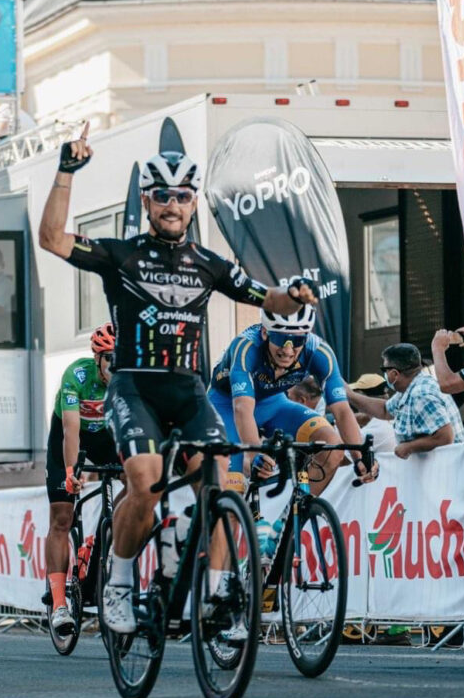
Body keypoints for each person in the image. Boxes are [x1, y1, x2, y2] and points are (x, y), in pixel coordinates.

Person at [38, 128, 321, 638]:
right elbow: (53, 240)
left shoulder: (207, 264)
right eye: (163, 195)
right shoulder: (120, 256)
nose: (173, 204)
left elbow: (266, 298)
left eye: (183, 195)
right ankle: (119, 582)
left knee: (217, 480)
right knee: (144, 483)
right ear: (147, 201)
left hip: (187, 391)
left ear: (193, 204)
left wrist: (294, 293)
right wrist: (66, 172)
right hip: (136, 389)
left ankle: (215, 595)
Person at [208, 306, 374, 494]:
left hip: (274, 405)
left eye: (296, 341)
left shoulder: (318, 351)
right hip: (227, 406)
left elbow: (342, 410)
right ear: (265, 333)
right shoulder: (246, 347)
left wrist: (359, 457)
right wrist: (254, 454)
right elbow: (242, 409)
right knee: (232, 489)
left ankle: (295, 516)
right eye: (280, 339)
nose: (288, 350)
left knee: (331, 445)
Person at [45, 325, 118, 637]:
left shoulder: (129, 380)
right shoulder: (77, 375)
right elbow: (71, 431)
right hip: (70, 438)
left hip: (107, 437)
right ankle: (60, 604)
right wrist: (73, 471)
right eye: (110, 360)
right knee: (62, 517)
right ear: (97, 358)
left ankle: (102, 550)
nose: (116, 367)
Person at [348, 344, 463, 459]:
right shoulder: (411, 387)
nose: (385, 374)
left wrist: (409, 447)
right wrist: (350, 395)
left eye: (384, 370)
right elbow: (385, 410)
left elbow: (445, 436)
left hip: (446, 469)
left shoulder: (421, 394)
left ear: (394, 374)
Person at [346, 374, 398, 455]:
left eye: (357, 394)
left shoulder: (375, 428)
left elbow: (340, 459)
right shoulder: (394, 418)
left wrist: (342, 421)